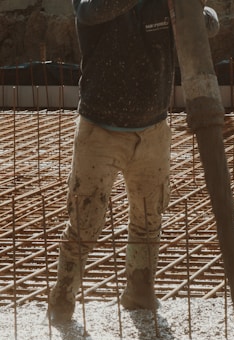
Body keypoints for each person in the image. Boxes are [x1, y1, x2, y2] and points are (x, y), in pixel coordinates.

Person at [49, 0, 219, 323]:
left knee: (148, 218)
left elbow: (209, 23)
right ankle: (62, 299)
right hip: (100, 130)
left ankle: (140, 291)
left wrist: (188, 10)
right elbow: (89, 11)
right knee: (85, 221)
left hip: (153, 128)